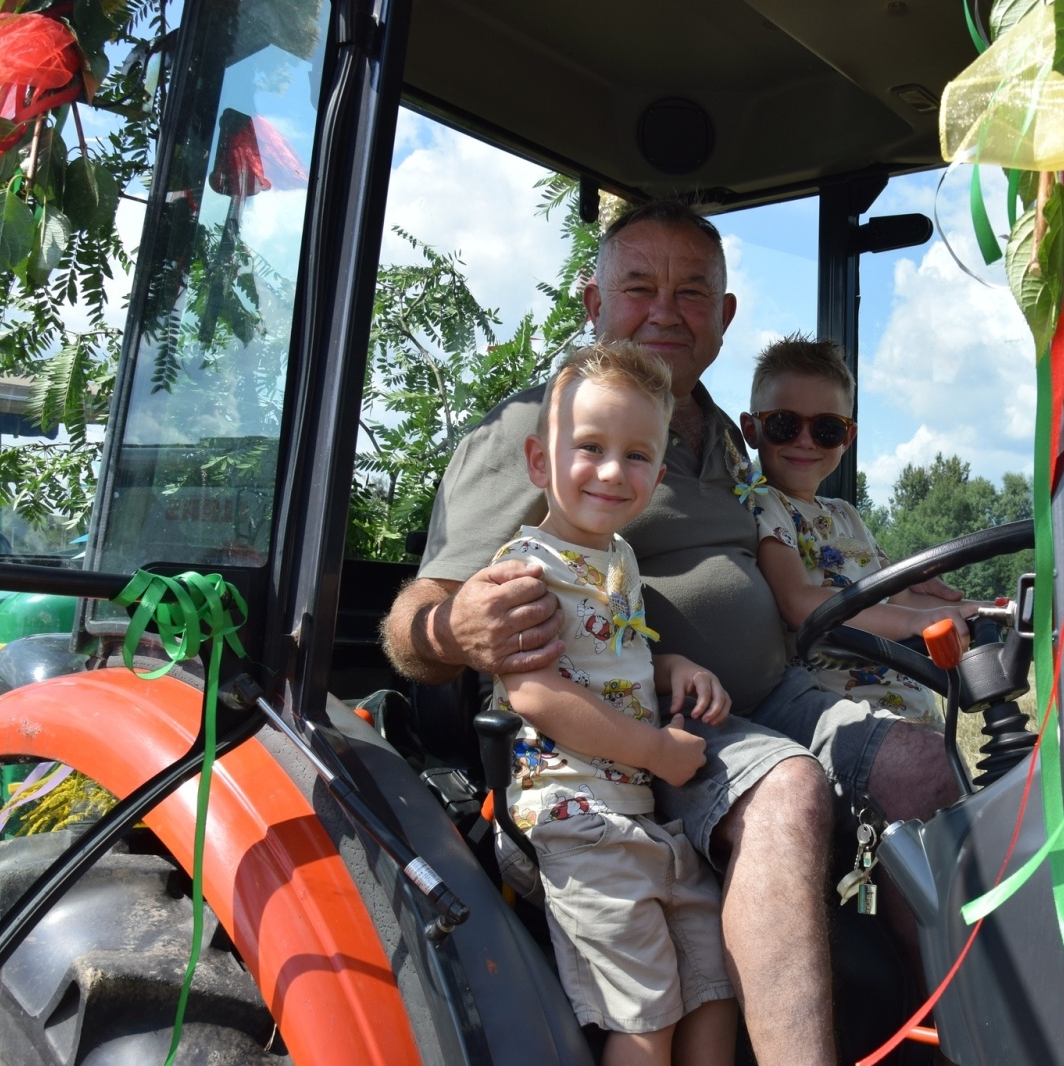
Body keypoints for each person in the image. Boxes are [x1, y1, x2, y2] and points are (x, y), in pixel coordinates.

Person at [382, 200, 959, 1065]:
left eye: (691, 292)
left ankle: (951, 1039)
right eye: (638, 287)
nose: (666, 311)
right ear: (594, 303)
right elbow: (411, 624)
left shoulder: (724, 434)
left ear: (724, 316)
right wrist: (454, 625)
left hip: (776, 693)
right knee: (788, 792)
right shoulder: (548, 426)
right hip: (648, 724)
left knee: (925, 764)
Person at [491, 342, 736, 1065]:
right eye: (590, 447)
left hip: (641, 819)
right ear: (540, 462)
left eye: (636, 456)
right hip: (575, 818)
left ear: (657, 477)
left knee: (714, 988)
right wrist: (656, 750)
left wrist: (673, 668)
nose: (610, 471)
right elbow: (536, 691)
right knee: (644, 1014)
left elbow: (608, 660)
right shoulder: (525, 570)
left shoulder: (618, 559)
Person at [742, 335, 976, 727]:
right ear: (751, 429)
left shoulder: (845, 514)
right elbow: (797, 602)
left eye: (827, 429)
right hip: (843, 714)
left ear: (847, 438)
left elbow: (901, 597)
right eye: (784, 424)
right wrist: (913, 623)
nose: (805, 441)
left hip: (910, 707)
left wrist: (977, 611)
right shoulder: (765, 504)